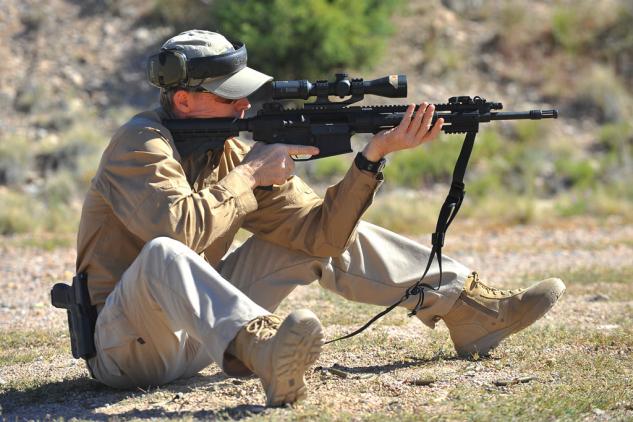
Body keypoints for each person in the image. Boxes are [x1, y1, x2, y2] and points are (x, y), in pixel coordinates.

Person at [75, 30, 565, 407]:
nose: (245, 105)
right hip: (126, 349)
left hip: (201, 342)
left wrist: (372, 156)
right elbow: (175, 231)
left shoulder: (225, 151)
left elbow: (322, 235)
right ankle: (267, 354)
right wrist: (249, 177)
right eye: (229, 97)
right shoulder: (139, 144)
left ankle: (468, 310)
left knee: (303, 237)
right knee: (165, 252)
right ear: (183, 100)